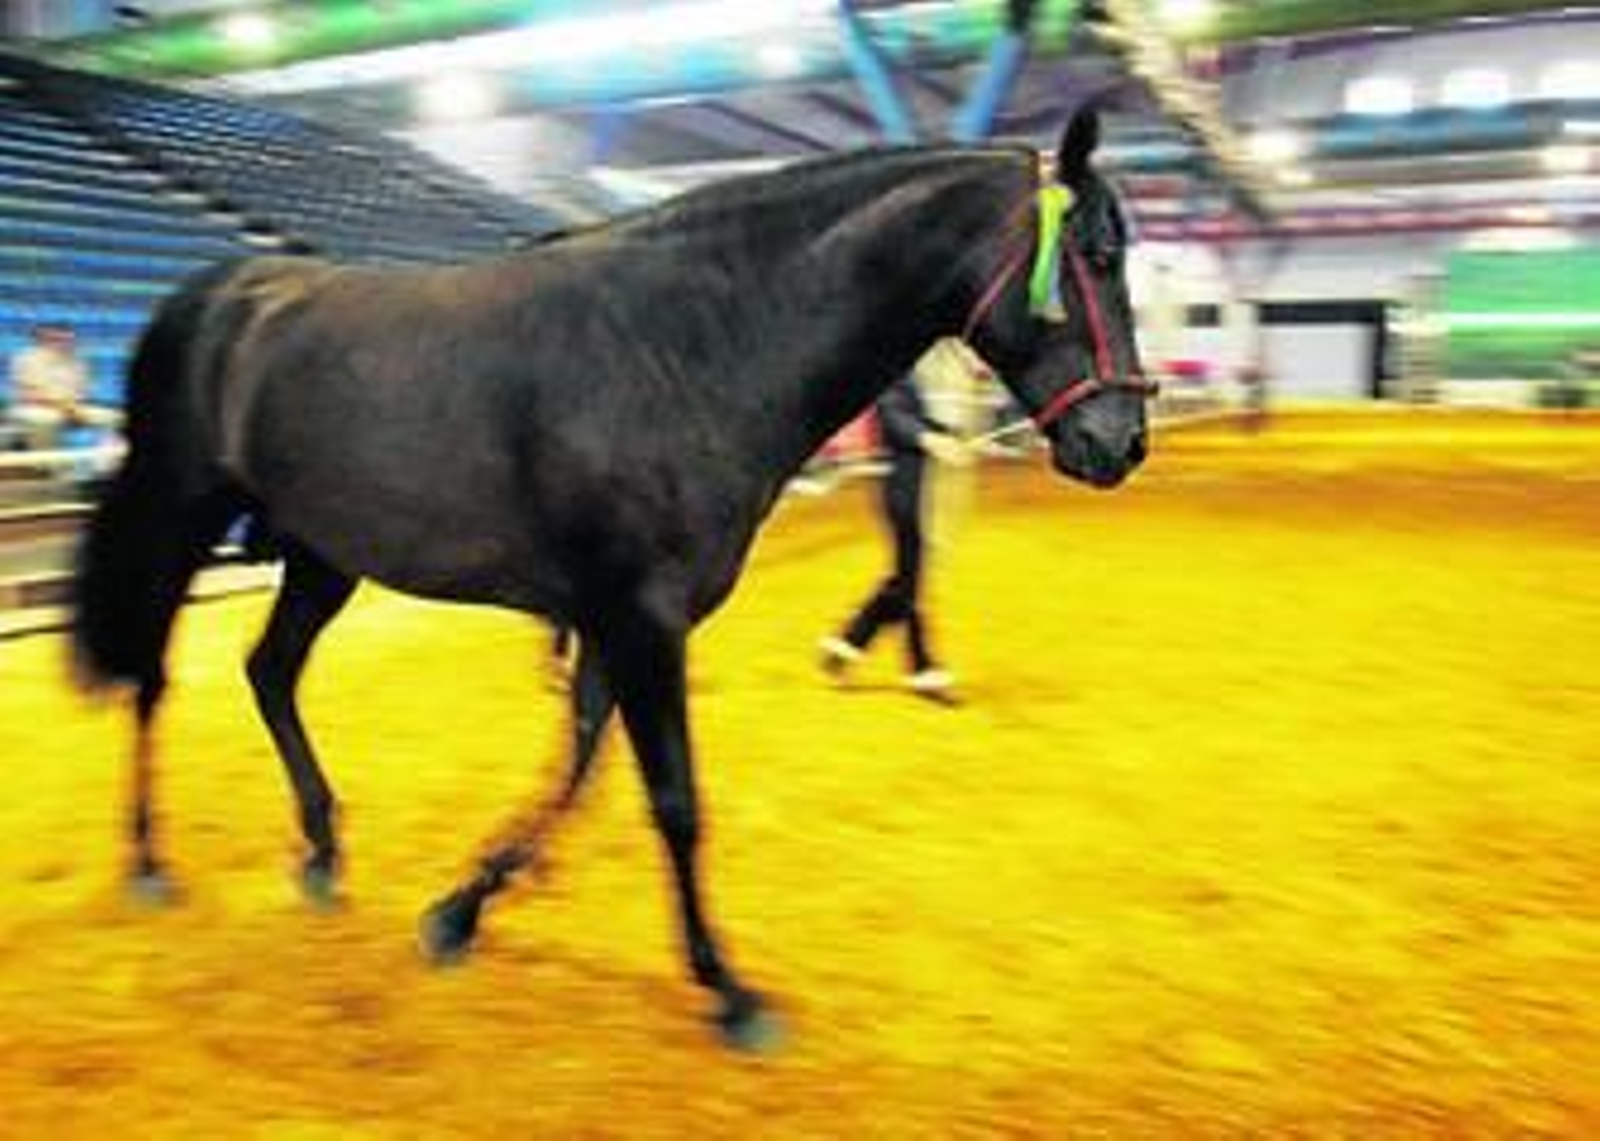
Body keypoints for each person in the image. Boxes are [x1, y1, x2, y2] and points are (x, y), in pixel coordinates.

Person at [819, 340, 981, 705]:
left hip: (926, 487)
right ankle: (922, 668)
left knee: (906, 578)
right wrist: (931, 439)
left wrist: (950, 437)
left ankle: (850, 642)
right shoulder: (893, 363)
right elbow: (893, 416)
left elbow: (928, 416)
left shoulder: (926, 366)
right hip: (902, 487)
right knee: (911, 580)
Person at [7, 324, 101, 451]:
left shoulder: (79, 361)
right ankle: (42, 460)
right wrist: (67, 407)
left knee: (111, 417)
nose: (67, 344)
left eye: (71, 340)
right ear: (48, 341)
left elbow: (82, 391)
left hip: (71, 406)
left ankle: (105, 457)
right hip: (34, 407)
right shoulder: (26, 358)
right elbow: (31, 394)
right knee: (44, 420)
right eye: (61, 340)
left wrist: (74, 406)